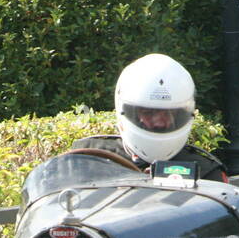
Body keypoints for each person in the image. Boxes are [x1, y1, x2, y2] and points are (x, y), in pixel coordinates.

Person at [71, 53, 230, 183]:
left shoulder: (206, 173)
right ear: (126, 111)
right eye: (148, 113)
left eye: (170, 114)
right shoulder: (87, 159)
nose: (160, 122)